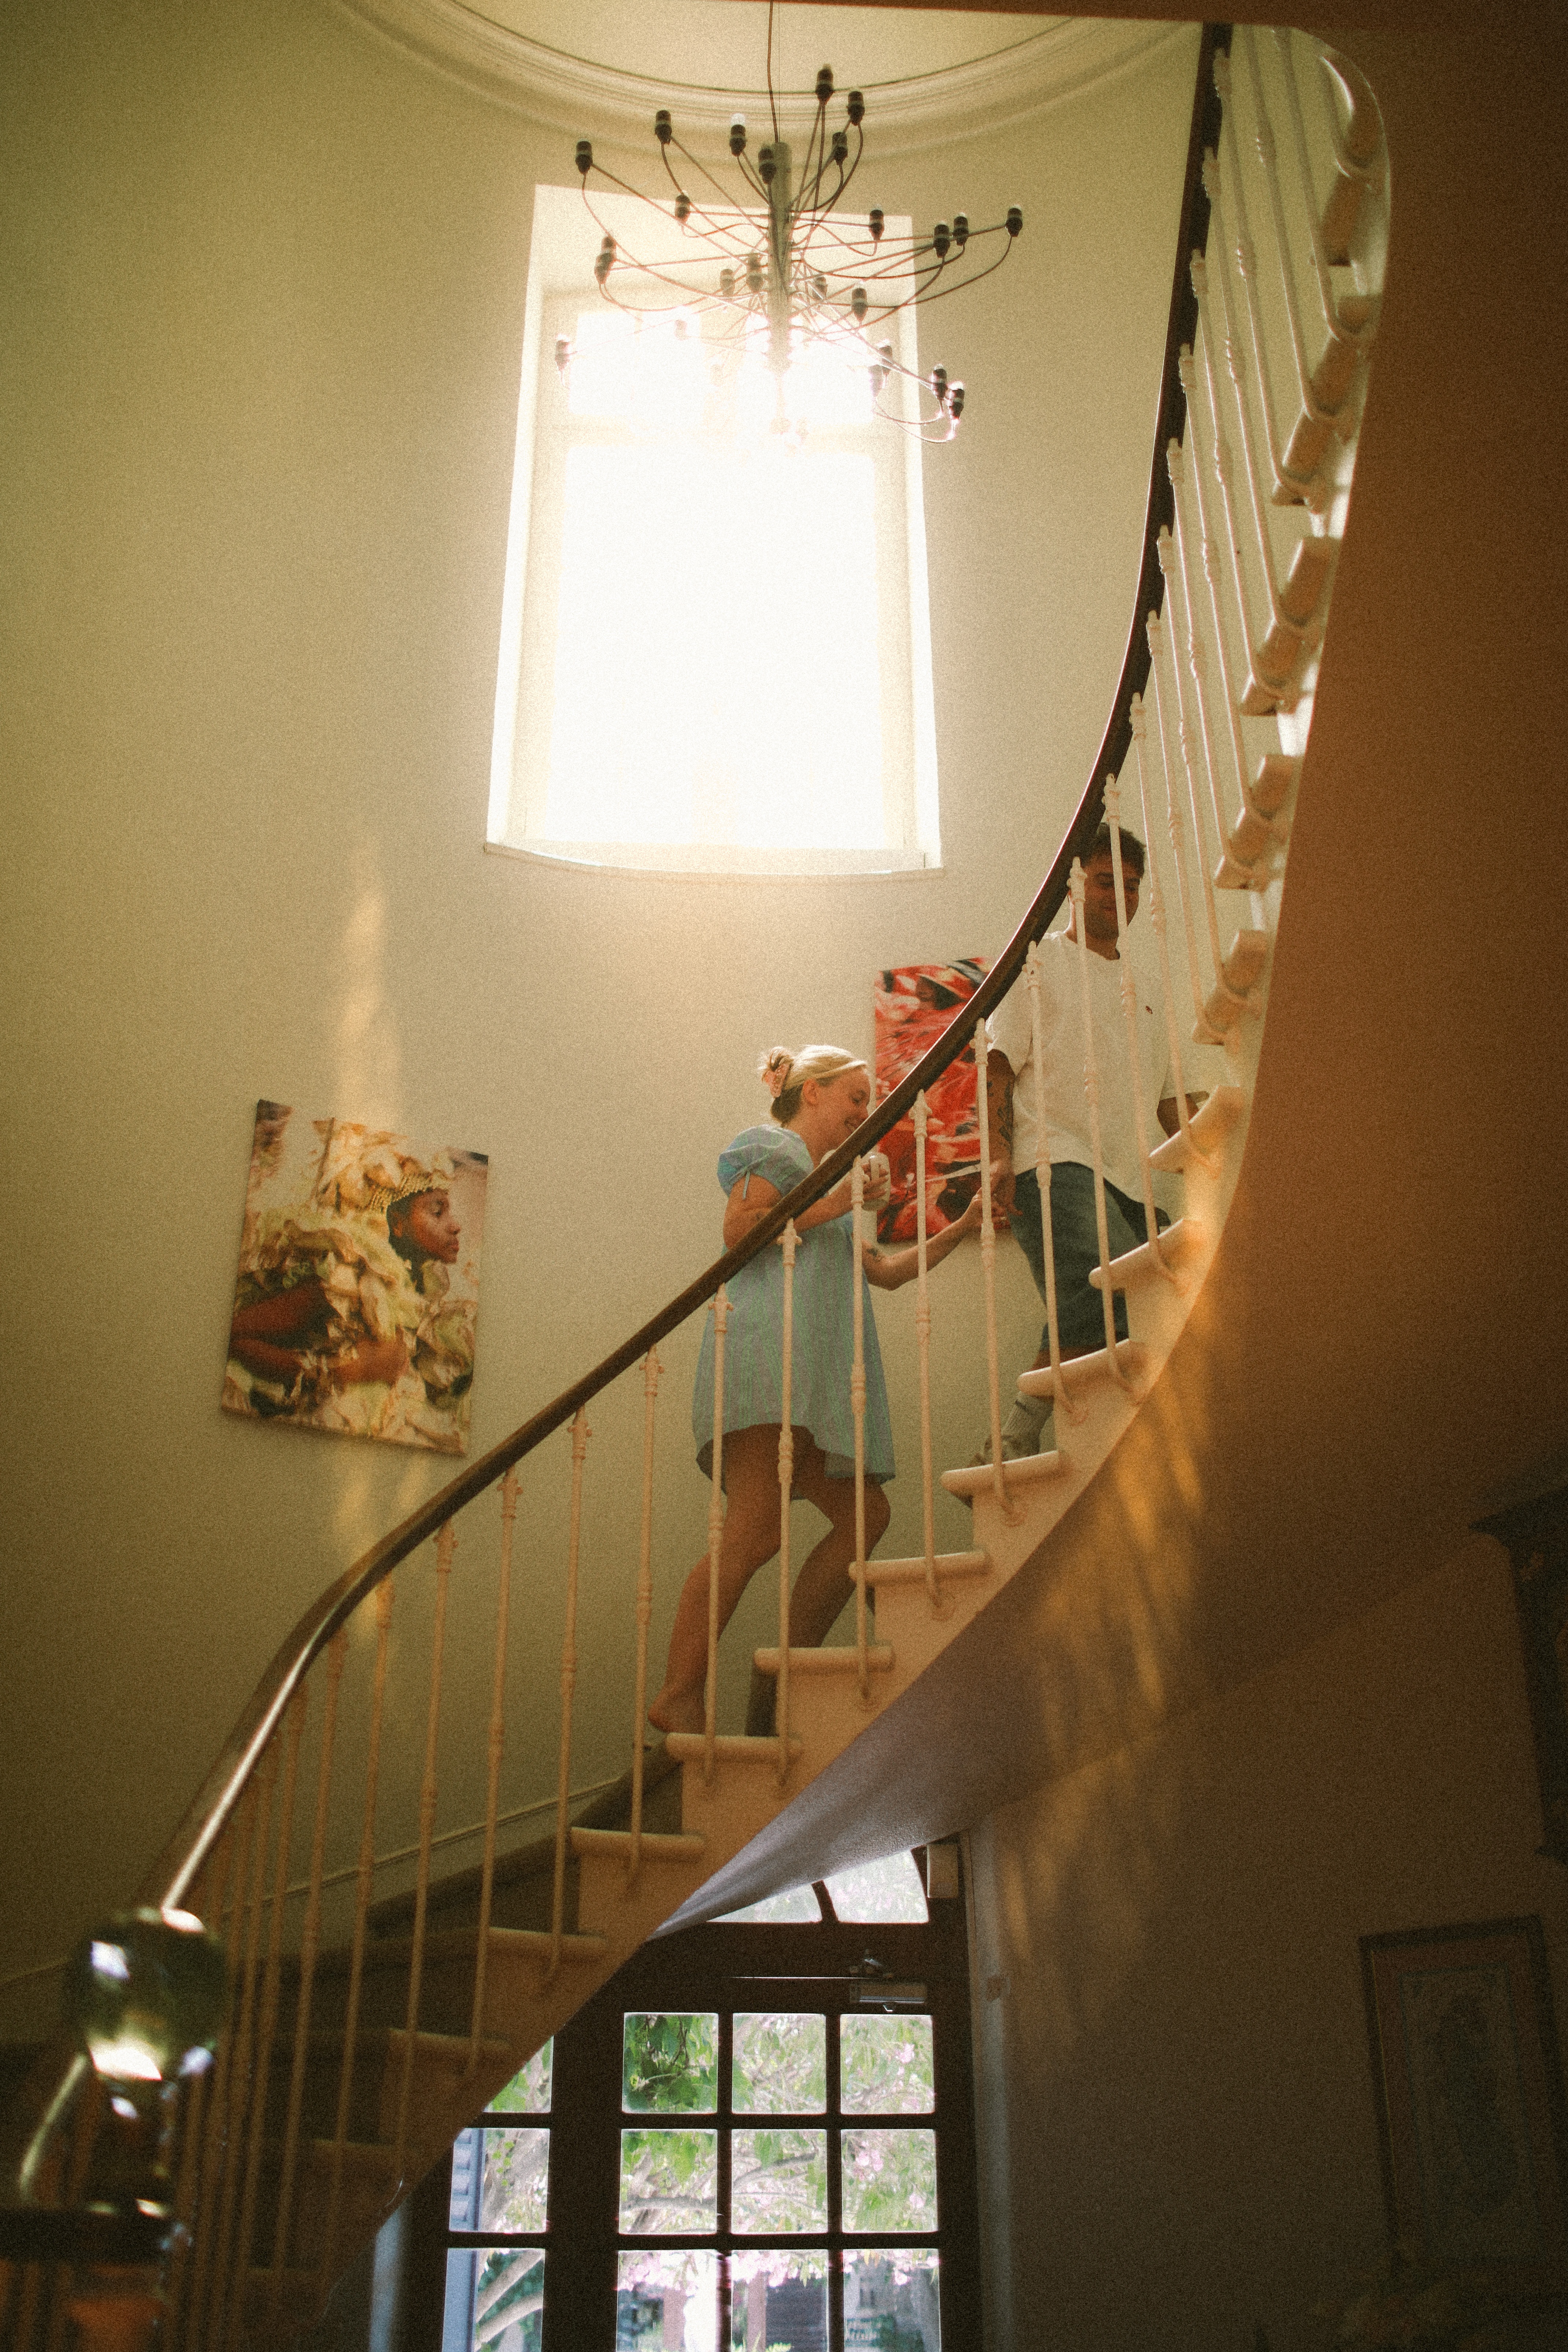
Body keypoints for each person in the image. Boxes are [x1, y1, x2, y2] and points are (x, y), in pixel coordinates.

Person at [648, 1043, 982, 1737]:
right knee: (752, 1534)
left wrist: (965, 1227)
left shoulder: (829, 1182)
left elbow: (885, 1274)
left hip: (811, 1383)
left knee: (866, 1515)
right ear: (812, 1094)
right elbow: (741, 1229)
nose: (866, 1113)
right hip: (767, 1363)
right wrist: (842, 1198)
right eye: (855, 1098)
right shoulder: (771, 1146)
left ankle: (788, 1665)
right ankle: (680, 1692)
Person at [977, 822, 1191, 1463]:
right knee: (1118, 1296)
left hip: (1132, 1179)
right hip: (1055, 1161)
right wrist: (996, 1155)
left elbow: (1170, 1099)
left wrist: (1222, 1149)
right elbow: (997, 1064)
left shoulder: (1147, 988)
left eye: (1130, 887)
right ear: (1075, 886)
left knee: (1105, 1305)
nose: (1117, 898)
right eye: (1104, 882)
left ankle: (1014, 1437)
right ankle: (1023, 1436)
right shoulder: (1039, 963)